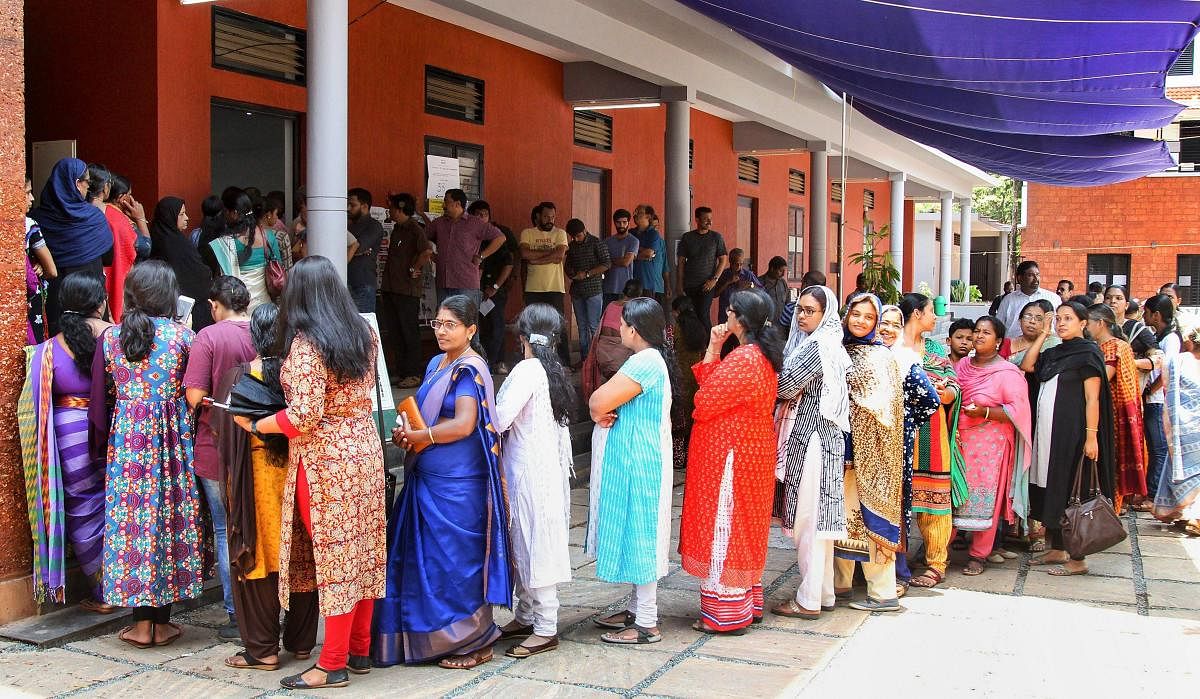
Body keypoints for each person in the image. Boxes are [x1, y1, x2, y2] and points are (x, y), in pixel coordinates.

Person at [232, 256, 386, 690]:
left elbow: (303, 416)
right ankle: (358, 649)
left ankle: (331, 663)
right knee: (363, 554)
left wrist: (259, 424)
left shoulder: (306, 344)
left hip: (324, 464)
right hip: (365, 453)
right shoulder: (364, 333)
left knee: (335, 560)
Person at [376, 295, 511, 670]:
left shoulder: (471, 369)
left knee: (456, 562)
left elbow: (465, 424)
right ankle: (426, 638)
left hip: (458, 484)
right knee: (426, 564)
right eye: (437, 323)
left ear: (471, 329)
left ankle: (475, 641)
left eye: (450, 324)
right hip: (427, 476)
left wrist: (423, 438)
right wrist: (409, 435)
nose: (441, 331)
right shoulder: (437, 364)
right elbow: (423, 416)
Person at [89, 261, 202, 648]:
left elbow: (100, 400)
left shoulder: (111, 338)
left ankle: (141, 626)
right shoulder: (183, 337)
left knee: (133, 524)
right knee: (167, 520)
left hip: (128, 443)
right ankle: (162, 623)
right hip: (172, 442)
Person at [214, 303, 319, 672]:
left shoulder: (239, 378)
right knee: (303, 556)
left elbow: (223, 433)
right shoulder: (304, 376)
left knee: (258, 559)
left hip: (255, 484)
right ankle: (303, 643)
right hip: (299, 478)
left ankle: (262, 650)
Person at [679, 289, 782, 633]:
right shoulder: (758, 355)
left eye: (729, 313)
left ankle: (726, 614)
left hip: (733, 455)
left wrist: (715, 353)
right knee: (744, 525)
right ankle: (745, 604)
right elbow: (711, 385)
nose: (725, 319)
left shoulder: (745, 358)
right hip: (751, 452)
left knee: (726, 524)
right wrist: (712, 347)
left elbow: (704, 400)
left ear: (738, 318)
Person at [17, 273, 114, 612]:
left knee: (82, 509)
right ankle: (127, 585)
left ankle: (103, 592)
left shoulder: (48, 349)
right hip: (111, 428)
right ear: (100, 303)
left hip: (68, 433)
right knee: (114, 506)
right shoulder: (113, 338)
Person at [587, 297, 676, 644]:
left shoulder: (644, 363)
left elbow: (597, 401)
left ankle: (646, 623)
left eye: (622, 324)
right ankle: (638, 610)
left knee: (642, 535)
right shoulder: (649, 360)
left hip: (641, 461)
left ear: (634, 329)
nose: (619, 328)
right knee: (638, 532)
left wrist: (597, 411)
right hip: (640, 457)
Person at [493, 304, 576, 658]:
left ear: (522, 336)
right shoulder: (552, 368)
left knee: (533, 543)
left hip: (529, 471)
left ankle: (545, 626)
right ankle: (527, 615)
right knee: (526, 541)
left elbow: (499, 418)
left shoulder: (528, 369)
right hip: (542, 470)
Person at [182, 276, 257, 640]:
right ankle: (263, 607)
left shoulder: (207, 337)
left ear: (214, 306)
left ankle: (235, 614)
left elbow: (195, 395)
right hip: (261, 441)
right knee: (259, 522)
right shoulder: (263, 328)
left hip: (217, 445)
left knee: (227, 528)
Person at [770, 285, 851, 620]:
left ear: (824, 314)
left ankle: (807, 600)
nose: (801, 316)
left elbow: (786, 386)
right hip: (820, 438)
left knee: (809, 522)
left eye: (809, 311)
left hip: (812, 440)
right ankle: (824, 593)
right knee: (818, 521)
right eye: (799, 309)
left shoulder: (818, 345)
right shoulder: (827, 342)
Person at [1019, 301, 1116, 576]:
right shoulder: (1055, 352)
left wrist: (1091, 437)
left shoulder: (1087, 354)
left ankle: (1078, 559)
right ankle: (1058, 549)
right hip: (1050, 434)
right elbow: (1028, 365)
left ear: (1083, 324)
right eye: (1058, 318)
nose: (1061, 323)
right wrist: (1042, 334)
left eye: (1067, 319)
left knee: (1075, 491)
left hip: (1074, 434)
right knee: (1054, 487)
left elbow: (1092, 398)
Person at [833, 293, 907, 611]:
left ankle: (883, 592)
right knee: (842, 520)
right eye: (856, 314)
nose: (861, 321)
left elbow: (885, 407)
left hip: (873, 454)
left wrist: (851, 397)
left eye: (868, 316)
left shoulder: (881, 357)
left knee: (870, 520)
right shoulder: (838, 349)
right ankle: (840, 586)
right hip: (842, 451)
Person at [952, 316, 1033, 575]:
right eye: (976, 331)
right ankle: (940, 548)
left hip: (991, 445)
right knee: (952, 494)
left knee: (986, 498)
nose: (978, 336)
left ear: (998, 341)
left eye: (985, 333)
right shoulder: (962, 365)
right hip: (959, 440)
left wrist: (986, 412)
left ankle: (979, 554)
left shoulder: (1007, 372)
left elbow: (1018, 410)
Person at [897, 293, 960, 591]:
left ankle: (937, 563)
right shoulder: (890, 347)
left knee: (934, 498)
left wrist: (942, 392)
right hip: (897, 435)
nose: (935, 317)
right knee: (895, 499)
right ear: (916, 315)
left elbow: (954, 390)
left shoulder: (935, 351)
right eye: (930, 312)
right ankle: (892, 561)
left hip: (931, 436)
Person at [31, 158, 114, 335]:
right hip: (91, 300)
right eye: (87, 182)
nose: (88, 188)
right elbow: (108, 257)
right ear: (77, 184)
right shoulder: (93, 217)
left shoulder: (38, 219)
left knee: (59, 352)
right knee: (94, 354)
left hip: (56, 303)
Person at [1085, 304, 1147, 514]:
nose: (1085, 326)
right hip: (1103, 411)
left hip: (1111, 413)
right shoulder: (1106, 346)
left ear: (1100, 323)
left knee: (1111, 461)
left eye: (1088, 322)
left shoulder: (1115, 347)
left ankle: (1110, 510)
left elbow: (1103, 377)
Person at [1151, 325, 1200, 533]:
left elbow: (1167, 390)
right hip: (1187, 426)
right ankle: (1189, 516)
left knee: (1185, 469)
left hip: (1181, 425)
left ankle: (1190, 515)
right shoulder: (1178, 361)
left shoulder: (1178, 361)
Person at [380, 193, 432, 388]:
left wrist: (415, 268)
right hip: (391, 287)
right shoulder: (396, 229)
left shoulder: (415, 229)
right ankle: (402, 371)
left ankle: (414, 373)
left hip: (407, 290)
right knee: (395, 331)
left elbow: (426, 251)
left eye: (392, 208)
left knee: (409, 331)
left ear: (400, 209)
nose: (390, 211)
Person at [208, 190, 285, 312]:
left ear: (234, 213)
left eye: (225, 211)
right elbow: (279, 266)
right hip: (265, 309)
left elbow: (220, 279)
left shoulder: (224, 244)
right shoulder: (269, 237)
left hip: (237, 309)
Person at [150, 197, 216, 330]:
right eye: (181, 214)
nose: (187, 218)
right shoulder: (177, 244)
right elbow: (197, 274)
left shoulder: (159, 238)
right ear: (170, 217)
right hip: (189, 308)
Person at [429, 189, 505, 304]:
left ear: (457, 204)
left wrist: (482, 256)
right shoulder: (439, 223)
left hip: (466, 284)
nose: (443, 205)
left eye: (446, 201)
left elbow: (500, 237)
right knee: (444, 321)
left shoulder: (475, 223)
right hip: (443, 283)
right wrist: (431, 254)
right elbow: (423, 236)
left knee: (466, 321)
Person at [470, 201, 517, 374]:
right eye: (477, 214)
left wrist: (496, 286)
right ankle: (491, 361)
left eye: (484, 214)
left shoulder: (497, 236)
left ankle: (492, 363)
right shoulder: (471, 236)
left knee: (497, 326)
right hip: (476, 290)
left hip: (495, 289)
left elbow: (509, 263)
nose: (481, 217)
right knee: (483, 327)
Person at [1143, 293, 1183, 501]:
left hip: (1159, 401)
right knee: (1154, 446)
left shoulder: (1171, 339)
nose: (1144, 316)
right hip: (1152, 399)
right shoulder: (1158, 337)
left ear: (1156, 315)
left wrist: (1152, 388)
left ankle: (1154, 495)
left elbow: (1168, 369)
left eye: (1147, 313)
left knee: (1158, 448)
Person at [520, 202, 571, 365]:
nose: (550, 220)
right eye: (546, 217)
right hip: (533, 288)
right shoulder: (527, 233)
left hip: (555, 287)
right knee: (532, 325)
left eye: (553, 217)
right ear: (538, 217)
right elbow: (525, 254)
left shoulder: (560, 233)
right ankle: (532, 359)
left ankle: (564, 361)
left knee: (558, 325)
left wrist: (536, 258)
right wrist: (550, 253)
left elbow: (559, 256)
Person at [582, 279, 643, 399]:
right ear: (639, 294)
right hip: (619, 358)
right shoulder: (634, 309)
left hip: (602, 355)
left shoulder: (611, 305)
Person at [563, 218, 611, 364]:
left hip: (594, 290)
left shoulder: (597, 243)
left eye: (578, 236)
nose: (576, 239)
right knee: (581, 326)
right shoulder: (571, 246)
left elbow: (607, 263)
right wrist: (572, 274)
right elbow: (568, 266)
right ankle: (585, 359)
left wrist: (588, 273)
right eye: (573, 237)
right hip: (577, 291)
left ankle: (596, 359)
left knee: (593, 325)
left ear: (584, 231)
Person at [670, 296, 708, 469]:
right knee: (691, 419)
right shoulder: (700, 327)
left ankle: (678, 459)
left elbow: (669, 349)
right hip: (695, 378)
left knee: (678, 420)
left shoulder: (675, 328)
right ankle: (691, 457)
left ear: (677, 311)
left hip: (678, 378)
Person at [676, 207, 728, 330]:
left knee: (703, 315)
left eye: (710, 219)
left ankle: (710, 346)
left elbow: (723, 259)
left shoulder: (716, 237)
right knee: (690, 316)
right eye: (705, 219)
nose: (709, 222)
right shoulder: (687, 237)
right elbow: (681, 262)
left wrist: (714, 280)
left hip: (707, 285)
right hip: (689, 284)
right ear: (697, 219)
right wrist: (679, 284)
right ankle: (695, 346)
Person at [100, 173, 142, 321]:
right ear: (121, 198)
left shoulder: (99, 212)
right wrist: (140, 218)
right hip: (117, 276)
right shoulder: (120, 220)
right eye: (130, 195)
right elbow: (144, 247)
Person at [23, 176, 57, 345]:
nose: (32, 198)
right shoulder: (29, 225)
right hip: (30, 301)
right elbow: (52, 270)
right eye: (27, 192)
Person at [995, 261, 1061, 338]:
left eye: (1037, 274)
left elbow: (1059, 325)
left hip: (1046, 347)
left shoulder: (1053, 298)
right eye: (1030, 275)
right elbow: (998, 326)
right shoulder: (1008, 300)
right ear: (1020, 278)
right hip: (1015, 346)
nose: (1036, 279)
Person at [347, 188, 384, 313]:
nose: (348, 208)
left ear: (364, 206)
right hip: (345, 281)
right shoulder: (347, 225)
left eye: (352, 205)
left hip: (363, 283)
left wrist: (353, 249)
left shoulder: (374, 226)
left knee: (364, 325)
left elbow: (358, 246)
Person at [603, 209, 639, 307]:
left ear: (628, 222)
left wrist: (609, 261)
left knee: (624, 319)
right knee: (608, 319)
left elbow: (626, 262)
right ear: (614, 223)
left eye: (624, 222)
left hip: (626, 289)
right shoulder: (607, 241)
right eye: (618, 222)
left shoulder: (633, 241)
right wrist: (617, 260)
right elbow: (602, 262)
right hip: (608, 287)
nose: (622, 225)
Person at [631, 204, 666, 303]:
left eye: (639, 213)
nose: (635, 215)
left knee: (646, 312)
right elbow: (624, 252)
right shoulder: (631, 232)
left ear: (648, 216)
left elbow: (649, 253)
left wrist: (632, 255)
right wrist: (641, 252)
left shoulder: (653, 234)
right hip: (630, 280)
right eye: (635, 212)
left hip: (647, 282)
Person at [759, 256, 790, 322]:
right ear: (772, 269)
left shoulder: (783, 283)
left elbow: (788, 303)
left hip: (782, 326)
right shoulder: (760, 283)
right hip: (767, 326)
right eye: (781, 271)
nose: (783, 274)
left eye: (784, 271)